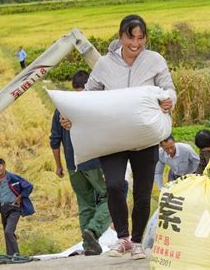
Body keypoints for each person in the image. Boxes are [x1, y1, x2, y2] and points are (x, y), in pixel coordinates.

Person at [61, 14, 176, 260]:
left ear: (145, 37)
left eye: (140, 37)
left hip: (144, 138)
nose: (135, 43)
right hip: (113, 139)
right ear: (120, 36)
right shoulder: (105, 64)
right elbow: (88, 97)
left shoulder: (154, 60)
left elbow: (169, 87)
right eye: (130, 37)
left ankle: (136, 242)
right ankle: (122, 238)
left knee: (143, 194)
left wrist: (169, 100)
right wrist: (71, 117)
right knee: (114, 185)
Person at [50, 70, 111, 256]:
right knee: (113, 196)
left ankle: (88, 245)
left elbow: (54, 140)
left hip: (72, 165)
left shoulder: (61, 107)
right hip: (93, 162)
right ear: (88, 86)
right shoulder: (91, 103)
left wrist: (59, 165)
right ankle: (93, 230)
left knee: (85, 205)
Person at [0, 158, 34, 256]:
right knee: (8, 232)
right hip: (3, 209)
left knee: (8, 231)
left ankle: (15, 256)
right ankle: (11, 255)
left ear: (4, 166)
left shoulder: (13, 178)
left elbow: (29, 186)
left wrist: (20, 197)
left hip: (14, 208)